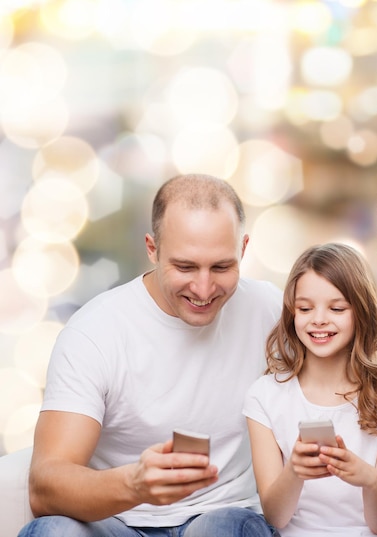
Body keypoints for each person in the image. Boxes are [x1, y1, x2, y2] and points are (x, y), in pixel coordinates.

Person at [19, 174, 283, 537]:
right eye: (185, 267)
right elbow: (45, 486)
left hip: (222, 517)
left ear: (243, 249)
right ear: (152, 249)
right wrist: (135, 485)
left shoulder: (269, 309)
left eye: (222, 267)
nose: (204, 289)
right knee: (51, 531)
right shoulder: (95, 332)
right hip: (117, 523)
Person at [243, 242, 377, 537]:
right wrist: (294, 470)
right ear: (292, 313)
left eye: (336, 308)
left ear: (360, 312)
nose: (319, 319)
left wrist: (368, 479)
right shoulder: (265, 396)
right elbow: (276, 517)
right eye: (305, 308)